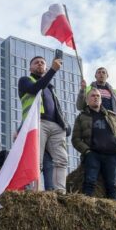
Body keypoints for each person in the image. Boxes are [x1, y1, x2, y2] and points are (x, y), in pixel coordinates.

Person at [18, 56, 69, 193]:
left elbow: (57, 107)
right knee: (36, 159)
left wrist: (65, 125)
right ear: (30, 68)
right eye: (36, 63)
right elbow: (35, 89)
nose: (39, 64)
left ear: (45, 67)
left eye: (42, 63)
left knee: (61, 159)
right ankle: (35, 191)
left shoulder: (50, 87)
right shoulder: (25, 81)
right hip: (38, 123)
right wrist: (52, 70)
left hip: (56, 127)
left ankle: (60, 191)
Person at [72, 88, 116, 199]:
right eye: (92, 96)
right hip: (93, 154)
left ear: (101, 100)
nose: (96, 97)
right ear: (87, 100)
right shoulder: (82, 117)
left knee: (112, 186)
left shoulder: (112, 115)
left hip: (111, 155)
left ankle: (113, 213)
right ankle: (88, 209)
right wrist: (87, 151)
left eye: (98, 96)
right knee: (89, 182)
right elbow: (75, 139)